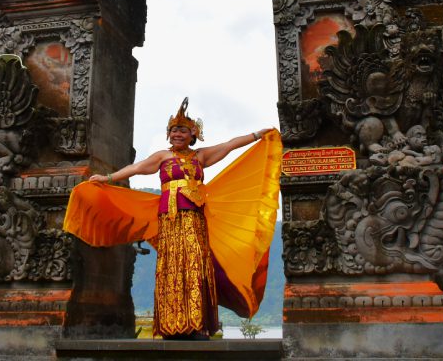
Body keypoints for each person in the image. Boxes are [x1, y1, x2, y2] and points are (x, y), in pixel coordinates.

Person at [65, 98, 281, 340]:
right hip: (170, 220)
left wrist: (256, 135)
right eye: (174, 130)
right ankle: (172, 326)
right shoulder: (162, 157)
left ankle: (196, 325)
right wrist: (107, 178)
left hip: (196, 221)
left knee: (195, 268)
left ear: (193, 135)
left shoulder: (201, 157)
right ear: (169, 135)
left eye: (183, 130)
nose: (177, 134)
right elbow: (136, 168)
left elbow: (230, 145)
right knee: (172, 269)